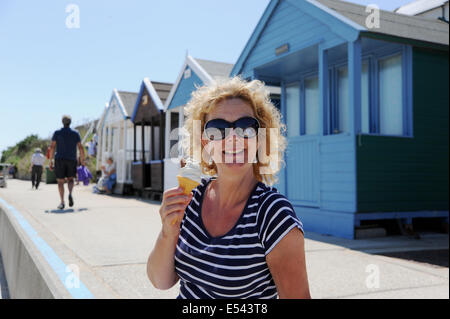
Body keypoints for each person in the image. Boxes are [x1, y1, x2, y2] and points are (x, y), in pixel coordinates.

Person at [147, 77, 311, 299]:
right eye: (218, 128)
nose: (233, 138)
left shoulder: (273, 214)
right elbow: (160, 281)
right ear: (205, 142)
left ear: (260, 138)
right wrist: (168, 231)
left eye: (246, 127)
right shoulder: (192, 198)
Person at [49, 115, 85, 210]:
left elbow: (52, 147)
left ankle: (62, 202)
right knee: (70, 179)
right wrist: (82, 160)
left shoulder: (57, 133)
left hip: (60, 159)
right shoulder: (75, 133)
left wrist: (51, 161)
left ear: (62, 122)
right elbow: (80, 147)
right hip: (71, 159)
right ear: (70, 122)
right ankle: (70, 193)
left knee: (60, 182)